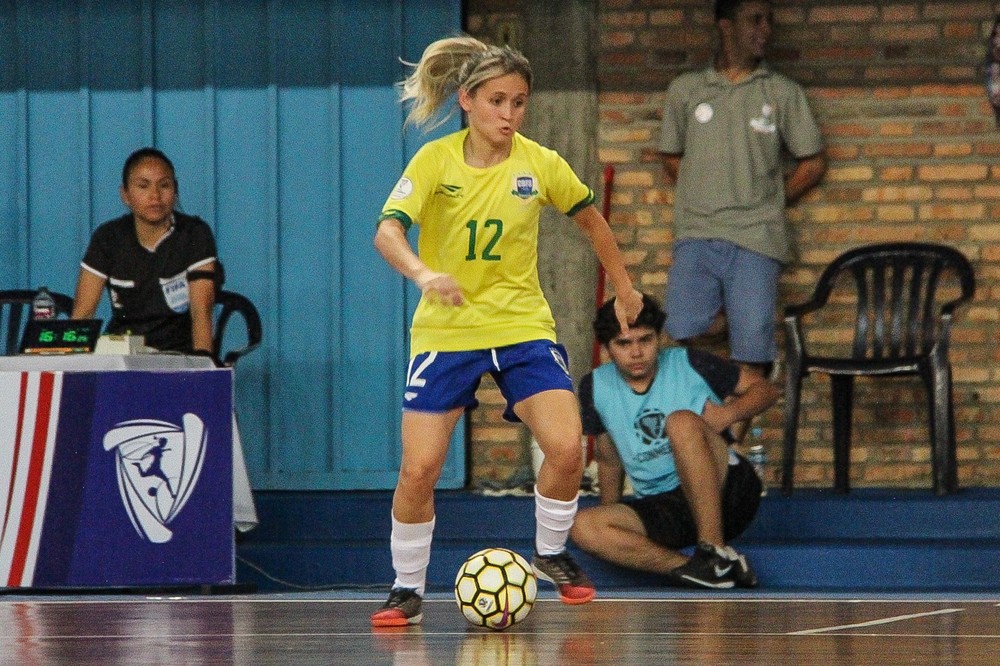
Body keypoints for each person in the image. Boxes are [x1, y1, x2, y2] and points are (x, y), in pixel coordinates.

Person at [370, 35, 644, 627]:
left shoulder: (539, 162)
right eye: (497, 101)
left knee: (569, 446)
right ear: (467, 100)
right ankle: (406, 588)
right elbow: (387, 232)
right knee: (419, 468)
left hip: (521, 325)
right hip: (446, 333)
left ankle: (550, 552)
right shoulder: (435, 161)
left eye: (518, 103)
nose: (509, 114)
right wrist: (422, 271)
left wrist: (623, 285)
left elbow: (591, 220)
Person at [658, 0, 826, 395]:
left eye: (769, 20)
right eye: (755, 20)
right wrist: (705, 189)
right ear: (725, 26)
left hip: (756, 238)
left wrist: (768, 199)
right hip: (696, 234)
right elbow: (670, 155)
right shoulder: (686, 89)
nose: (764, 29)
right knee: (684, 335)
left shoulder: (782, 92)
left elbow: (813, 162)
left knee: (753, 352)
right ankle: (705, 435)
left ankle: (732, 444)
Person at [570, 294, 779, 588]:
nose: (637, 352)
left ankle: (714, 549)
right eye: (624, 344)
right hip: (665, 505)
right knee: (583, 526)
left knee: (680, 421)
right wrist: (612, 514)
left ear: (660, 338)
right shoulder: (594, 385)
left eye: (646, 340)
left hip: (728, 492)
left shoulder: (688, 362)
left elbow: (766, 390)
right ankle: (700, 569)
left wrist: (728, 415)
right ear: (606, 349)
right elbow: (608, 456)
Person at [72, 147, 219, 355]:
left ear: (175, 190)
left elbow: (201, 311)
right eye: (143, 186)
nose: (155, 196)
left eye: (164, 185)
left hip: (178, 355)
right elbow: (83, 312)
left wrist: (202, 368)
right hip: (123, 356)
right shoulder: (107, 237)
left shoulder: (195, 234)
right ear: (125, 195)